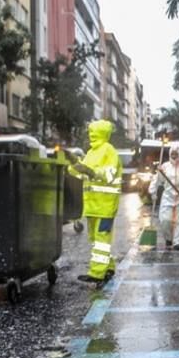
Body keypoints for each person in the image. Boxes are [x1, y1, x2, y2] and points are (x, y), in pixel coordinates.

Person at [69, 120, 122, 286]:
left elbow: (109, 174)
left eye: (94, 131)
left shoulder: (109, 150)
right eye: (90, 131)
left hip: (105, 206)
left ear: (102, 132)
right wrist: (73, 166)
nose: (91, 134)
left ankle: (97, 273)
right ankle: (109, 266)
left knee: (101, 239)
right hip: (92, 206)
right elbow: (82, 175)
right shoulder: (91, 152)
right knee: (97, 240)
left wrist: (91, 171)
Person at [158, 147, 179, 250]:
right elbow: (159, 180)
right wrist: (153, 191)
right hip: (168, 197)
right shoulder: (164, 166)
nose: (174, 155)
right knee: (165, 220)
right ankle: (168, 238)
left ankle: (177, 242)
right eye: (172, 153)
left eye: (176, 153)